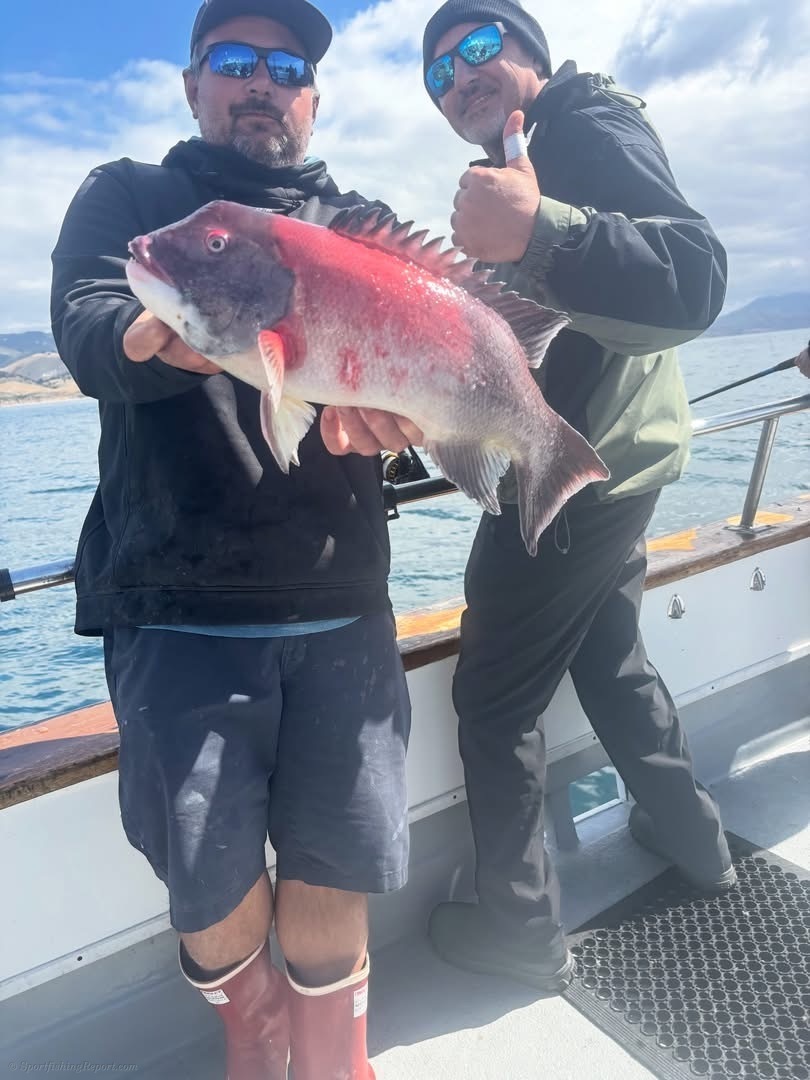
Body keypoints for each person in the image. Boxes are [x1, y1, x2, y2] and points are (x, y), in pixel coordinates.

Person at [324, 0, 736, 992]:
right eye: (437, 72)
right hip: (624, 462)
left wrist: (535, 229)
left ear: (530, 54)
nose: (457, 76)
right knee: (610, 658)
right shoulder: (532, 146)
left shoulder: (581, 124)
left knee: (493, 696)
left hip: (573, 482)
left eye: (477, 48)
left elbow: (694, 276)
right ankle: (697, 842)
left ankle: (518, 926)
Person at [50, 2, 413, 1076]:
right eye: (237, 60)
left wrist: (408, 423)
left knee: (335, 865)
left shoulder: (360, 225)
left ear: (314, 99)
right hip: (178, 605)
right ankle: (254, 1041)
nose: (264, 83)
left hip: (345, 601)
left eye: (288, 68)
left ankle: (333, 1061)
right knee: (207, 882)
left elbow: (400, 380)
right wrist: (158, 335)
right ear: (193, 84)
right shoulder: (133, 200)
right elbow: (84, 325)